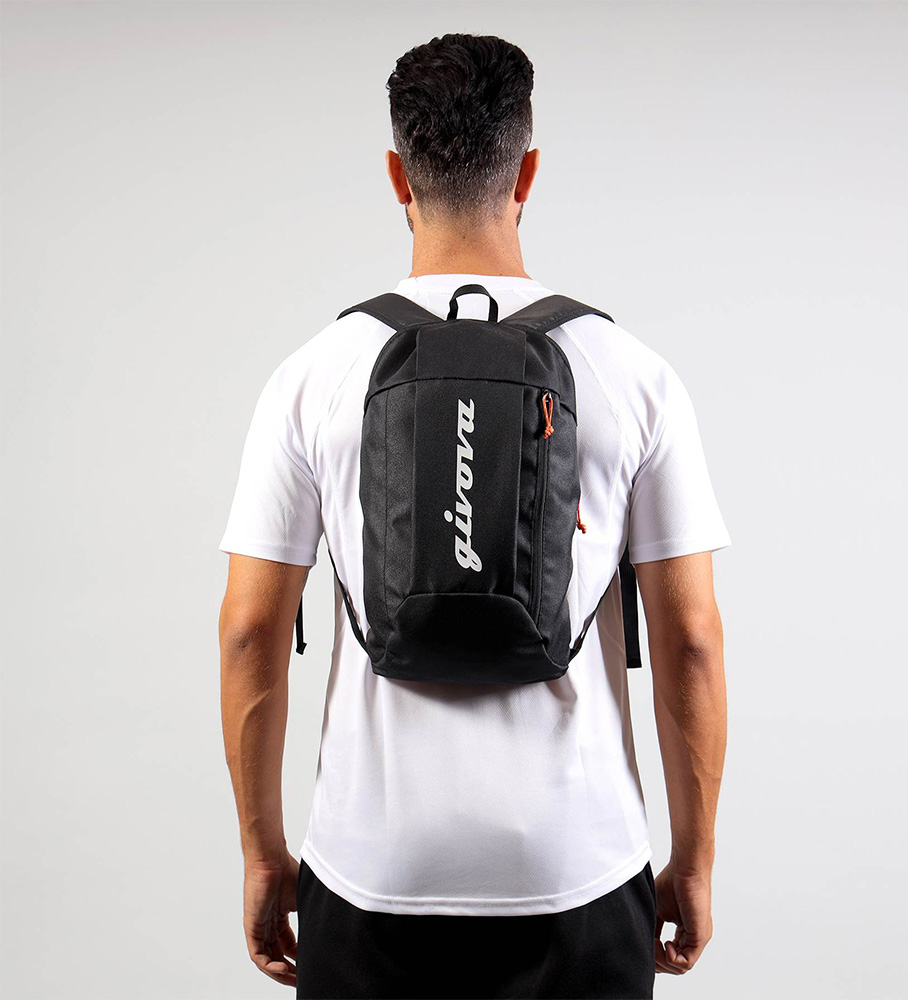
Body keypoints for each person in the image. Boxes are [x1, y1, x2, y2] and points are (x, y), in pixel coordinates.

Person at [218, 32, 730, 1000]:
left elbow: (249, 630)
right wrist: (694, 859)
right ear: (527, 171)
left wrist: (261, 851)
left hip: (368, 872)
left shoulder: (312, 376)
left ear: (396, 176)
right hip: (579, 869)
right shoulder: (633, 375)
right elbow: (691, 642)